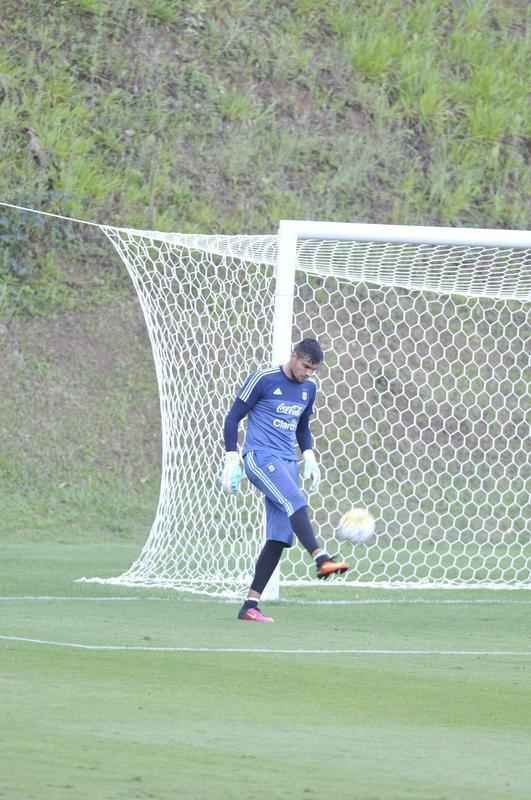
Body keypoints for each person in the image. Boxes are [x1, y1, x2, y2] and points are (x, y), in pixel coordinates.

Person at [221, 337, 350, 623]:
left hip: (287, 463)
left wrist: (309, 455)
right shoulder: (263, 379)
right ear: (294, 356)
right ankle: (321, 558)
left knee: (280, 537)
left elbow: (303, 427)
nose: (308, 374)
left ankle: (250, 605)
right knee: (295, 501)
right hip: (260, 457)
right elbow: (233, 417)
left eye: (313, 370)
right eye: (306, 367)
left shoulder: (309, 389)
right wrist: (232, 457)